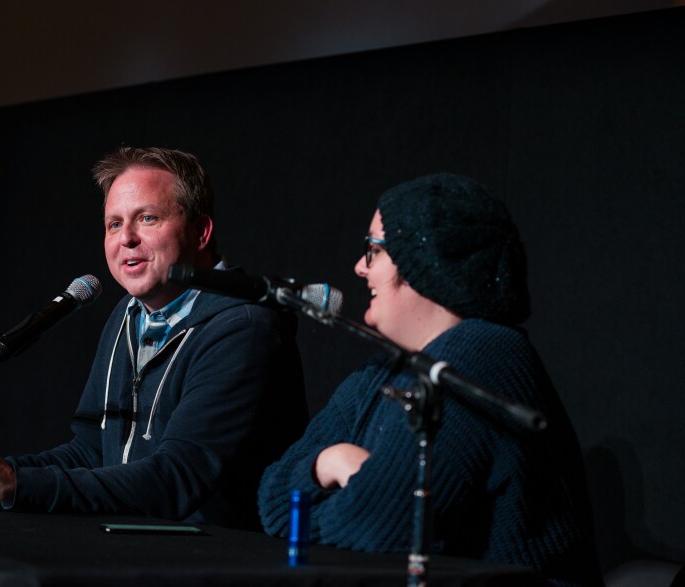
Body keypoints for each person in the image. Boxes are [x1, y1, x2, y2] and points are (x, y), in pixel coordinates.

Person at [0, 146, 308, 530]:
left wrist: (17, 484)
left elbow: (175, 479)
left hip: (223, 564)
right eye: (114, 223)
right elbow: (93, 450)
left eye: (147, 218)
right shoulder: (127, 316)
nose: (126, 238)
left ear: (201, 232)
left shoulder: (244, 328)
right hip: (137, 548)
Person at [257, 173, 603, 586]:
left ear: (428, 262)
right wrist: (331, 461)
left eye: (374, 250)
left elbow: (381, 525)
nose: (358, 267)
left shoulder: (483, 353)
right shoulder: (381, 370)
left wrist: (335, 499)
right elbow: (273, 498)